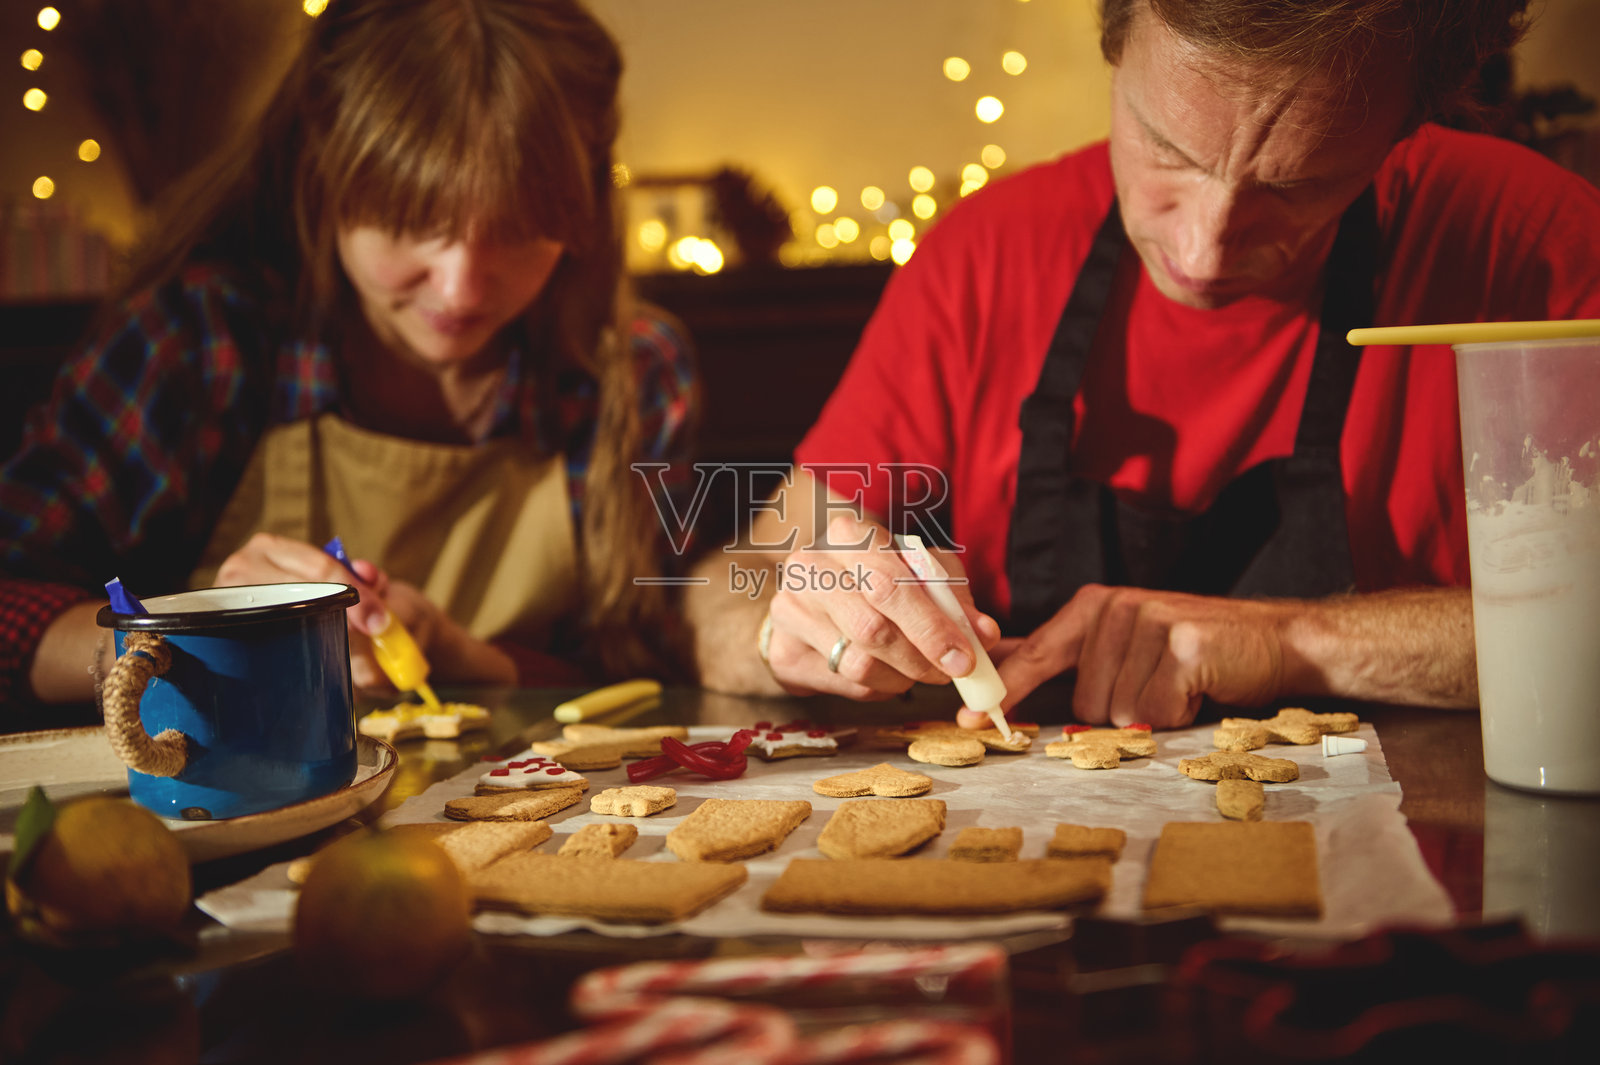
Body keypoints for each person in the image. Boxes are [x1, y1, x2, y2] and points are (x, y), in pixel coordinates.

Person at [687, 0, 1600, 729]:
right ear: (1115, 48)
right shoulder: (986, 257)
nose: (1204, 250)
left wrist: (1295, 640)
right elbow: (731, 582)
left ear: (1407, 125)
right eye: (1167, 148)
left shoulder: (1534, 251)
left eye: (1295, 186)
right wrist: (786, 629)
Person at [0, 0, 697, 715]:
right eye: (411, 221)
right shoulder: (203, 340)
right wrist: (179, 641)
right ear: (323, 173)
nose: (459, 287)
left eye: (519, 231)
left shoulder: (628, 371)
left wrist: (467, 661)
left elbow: (655, 673)